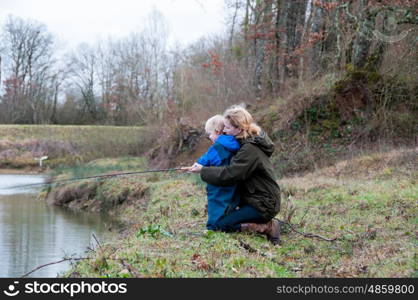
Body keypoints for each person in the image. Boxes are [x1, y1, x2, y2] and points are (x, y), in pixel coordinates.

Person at [188, 105, 281, 245]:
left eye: (227, 128)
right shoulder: (244, 142)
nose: (224, 131)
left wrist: (203, 170)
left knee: (220, 225)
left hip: (263, 204)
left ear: (239, 128)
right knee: (223, 220)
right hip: (253, 198)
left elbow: (230, 174)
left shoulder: (249, 149)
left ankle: (268, 226)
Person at [190, 114, 241, 230]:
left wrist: (197, 165)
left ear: (217, 132)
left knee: (216, 206)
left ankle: (213, 227)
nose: (210, 139)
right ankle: (224, 223)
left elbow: (207, 159)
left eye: (209, 135)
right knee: (228, 206)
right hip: (232, 183)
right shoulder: (235, 143)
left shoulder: (218, 147)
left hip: (218, 184)